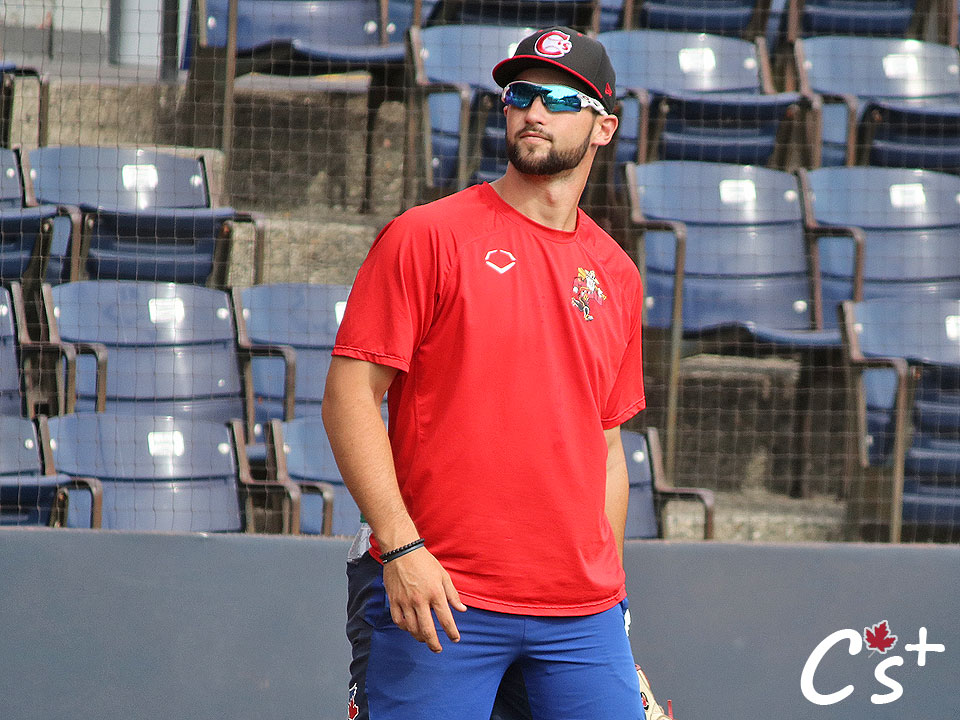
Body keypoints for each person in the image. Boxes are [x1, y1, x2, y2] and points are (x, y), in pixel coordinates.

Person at [323, 26, 647, 719]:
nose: (533, 111)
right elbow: (350, 396)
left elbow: (608, 447)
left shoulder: (616, 274)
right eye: (518, 95)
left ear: (604, 128)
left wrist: (611, 594)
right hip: (439, 594)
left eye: (559, 99)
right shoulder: (427, 235)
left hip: (580, 615)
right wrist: (402, 546)